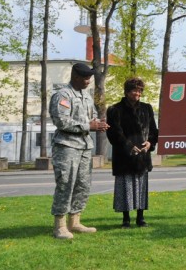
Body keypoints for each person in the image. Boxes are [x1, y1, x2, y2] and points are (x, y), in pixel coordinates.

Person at [49, 62, 109, 239]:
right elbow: (61, 121)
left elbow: (88, 119)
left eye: (89, 78)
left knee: (82, 184)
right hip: (67, 147)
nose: (88, 81)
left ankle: (74, 221)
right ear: (75, 76)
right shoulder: (63, 95)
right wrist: (88, 125)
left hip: (84, 147)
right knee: (65, 184)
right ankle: (59, 226)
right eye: (85, 78)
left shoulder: (86, 96)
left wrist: (97, 123)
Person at [106, 77, 159, 228]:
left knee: (141, 188)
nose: (137, 93)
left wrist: (150, 143)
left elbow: (154, 131)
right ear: (127, 91)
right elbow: (114, 133)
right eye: (134, 90)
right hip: (124, 156)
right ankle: (126, 219)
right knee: (126, 188)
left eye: (140, 90)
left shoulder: (147, 108)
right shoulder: (115, 109)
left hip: (143, 156)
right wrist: (128, 146)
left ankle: (140, 218)